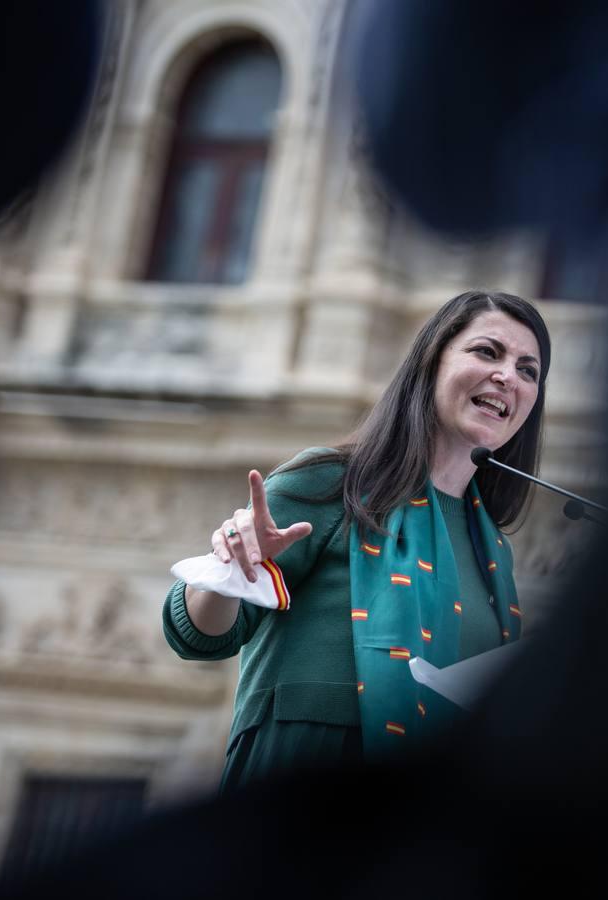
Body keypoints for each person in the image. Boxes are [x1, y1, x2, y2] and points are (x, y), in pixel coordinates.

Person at [162, 289, 551, 789]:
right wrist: (227, 576)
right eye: (487, 352)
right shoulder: (330, 483)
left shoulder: (493, 551)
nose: (507, 376)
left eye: (528, 370)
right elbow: (196, 636)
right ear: (432, 362)